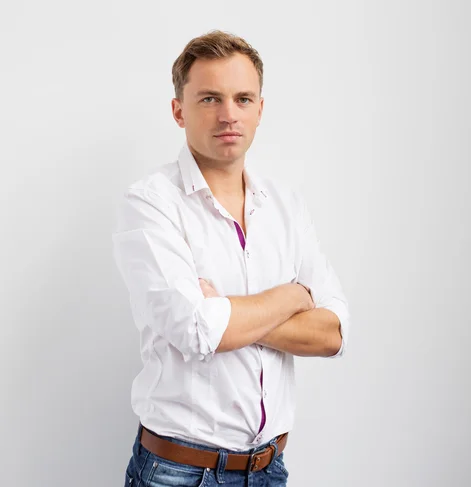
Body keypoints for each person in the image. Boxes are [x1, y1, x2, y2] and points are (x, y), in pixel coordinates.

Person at [112, 30, 350, 487]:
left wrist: (228, 312)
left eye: (243, 98)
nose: (228, 115)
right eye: (209, 99)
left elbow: (333, 334)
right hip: (178, 472)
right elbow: (196, 329)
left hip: (268, 469)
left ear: (260, 109)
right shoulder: (150, 203)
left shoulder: (286, 206)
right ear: (179, 110)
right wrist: (293, 295)